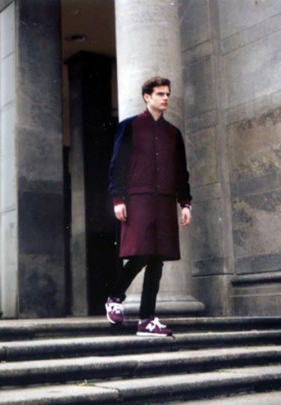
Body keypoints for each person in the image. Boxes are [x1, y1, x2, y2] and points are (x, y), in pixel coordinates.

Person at [105, 76, 192, 337]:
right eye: (160, 94)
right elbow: (117, 164)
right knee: (141, 252)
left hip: (164, 201)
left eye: (168, 94)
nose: (165, 98)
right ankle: (114, 297)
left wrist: (185, 203)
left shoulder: (173, 134)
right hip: (138, 199)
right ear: (147, 97)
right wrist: (118, 199)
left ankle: (147, 319)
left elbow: (181, 171)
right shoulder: (130, 126)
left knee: (157, 259)